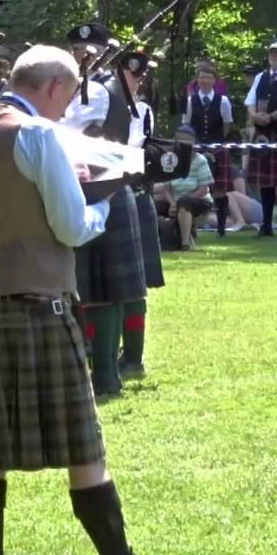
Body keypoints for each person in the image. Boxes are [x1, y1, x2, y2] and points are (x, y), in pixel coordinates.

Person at [0, 45, 159, 555]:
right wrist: (106, 200)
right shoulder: (37, 136)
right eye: (68, 96)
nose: (67, 111)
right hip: (44, 301)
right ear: (55, 87)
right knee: (86, 450)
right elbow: (71, 228)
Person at [63, 22, 146, 398]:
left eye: (88, 50)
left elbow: (72, 132)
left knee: (104, 288)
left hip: (100, 187)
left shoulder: (97, 90)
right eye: (76, 50)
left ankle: (107, 375)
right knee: (92, 288)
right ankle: (101, 372)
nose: (81, 55)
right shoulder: (92, 88)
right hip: (100, 187)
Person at [114, 52, 161, 379]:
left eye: (139, 77)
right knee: (97, 287)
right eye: (132, 75)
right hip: (100, 196)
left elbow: (129, 149)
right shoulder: (91, 104)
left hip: (132, 195)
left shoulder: (141, 112)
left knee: (134, 286)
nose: (137, 81)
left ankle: (133, 356)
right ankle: (99, 350)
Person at [180, 61, 234, 237]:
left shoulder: (223, 101)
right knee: (195, 188)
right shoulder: (190, 101)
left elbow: (227, 124)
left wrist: (216, 145)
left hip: (218, 149)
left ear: (214, 80)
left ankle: (221, 230)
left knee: (220, 190)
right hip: (196, 151)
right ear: (197, 79)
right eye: (201, 77)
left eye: (208, 77)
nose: (204, 80)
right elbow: (186, 125)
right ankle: (192, 227)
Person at [154, 126, 214, 250]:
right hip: (175, 201)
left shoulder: (200, 160)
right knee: (153, 205)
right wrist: (172, 203)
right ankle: (155, 243)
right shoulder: (171, 160)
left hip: (199, 200)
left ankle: (185, 244)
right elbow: (166, 188)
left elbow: (203, 189)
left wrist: (178, 202)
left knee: (184, 203)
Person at [243, 43, 277, 236]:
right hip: (262, 135)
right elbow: (249, 102)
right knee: (265, 183)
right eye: (272, 53)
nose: (274, 56)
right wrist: (255, 115)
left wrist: (272, 116)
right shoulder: (260, 77)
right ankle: (266, 225)